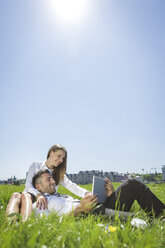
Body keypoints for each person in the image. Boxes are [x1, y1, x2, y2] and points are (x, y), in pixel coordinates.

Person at [7, 170, 165, 220]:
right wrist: (80, 209)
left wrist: (109, 195)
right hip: (88, 215)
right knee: (134, 219)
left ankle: (162, 215)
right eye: (49, 180)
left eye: (53, 178)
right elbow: (60, 221)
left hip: (97, 208)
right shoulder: (39, 204)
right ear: (38, 186)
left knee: (132, 184)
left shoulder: (63, 196)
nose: (54, 181)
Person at [6, 145, 90, 221]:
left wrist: (86, 193)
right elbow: (28, 185)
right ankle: (10, 223)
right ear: (51, 152)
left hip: (47, 197)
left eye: (63, 158)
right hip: (31, 194)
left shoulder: (58, 172)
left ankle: (24, 223)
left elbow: (72, 186)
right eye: (59, 156)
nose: (61, 160)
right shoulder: (35, 165)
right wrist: (39, 195)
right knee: (17, 195)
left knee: (24, 195)